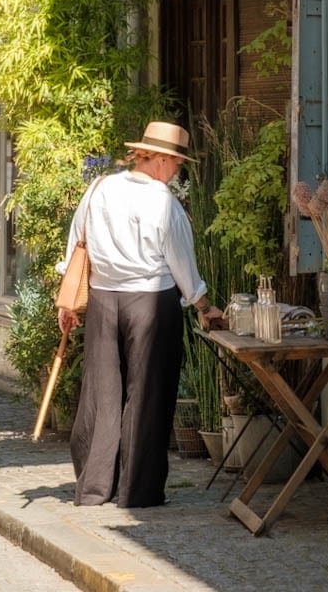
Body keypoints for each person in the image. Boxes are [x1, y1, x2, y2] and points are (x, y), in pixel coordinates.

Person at [56, 121, 223, 508]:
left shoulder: (99, 188)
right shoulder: (164, 202)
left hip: (102, 301)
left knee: (102, 394)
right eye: (177, 163)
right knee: (148, 396)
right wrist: (202, 305)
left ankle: (95, 488)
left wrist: (67, 303)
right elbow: (182, 263)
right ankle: (138, 491)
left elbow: (75, 246)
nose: (178, 171)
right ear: (161, 160)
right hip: (151, 301)